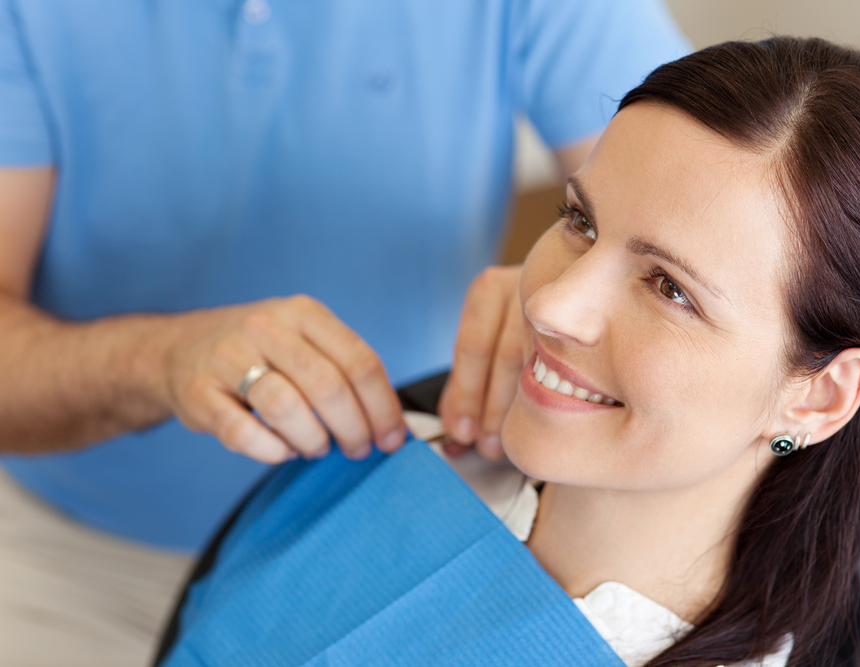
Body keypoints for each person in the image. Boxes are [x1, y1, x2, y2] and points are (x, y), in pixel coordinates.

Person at [157, 37, 860, 667]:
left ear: (817, 395)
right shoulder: (390, 454)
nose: (550, 300)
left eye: (670, 288)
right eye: (580, 221)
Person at [0, 1, 690, 664]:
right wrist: (158, 361)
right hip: (78, 560)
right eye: (577, 223)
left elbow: (704, 197)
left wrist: (552, 285)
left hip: (399, 532)